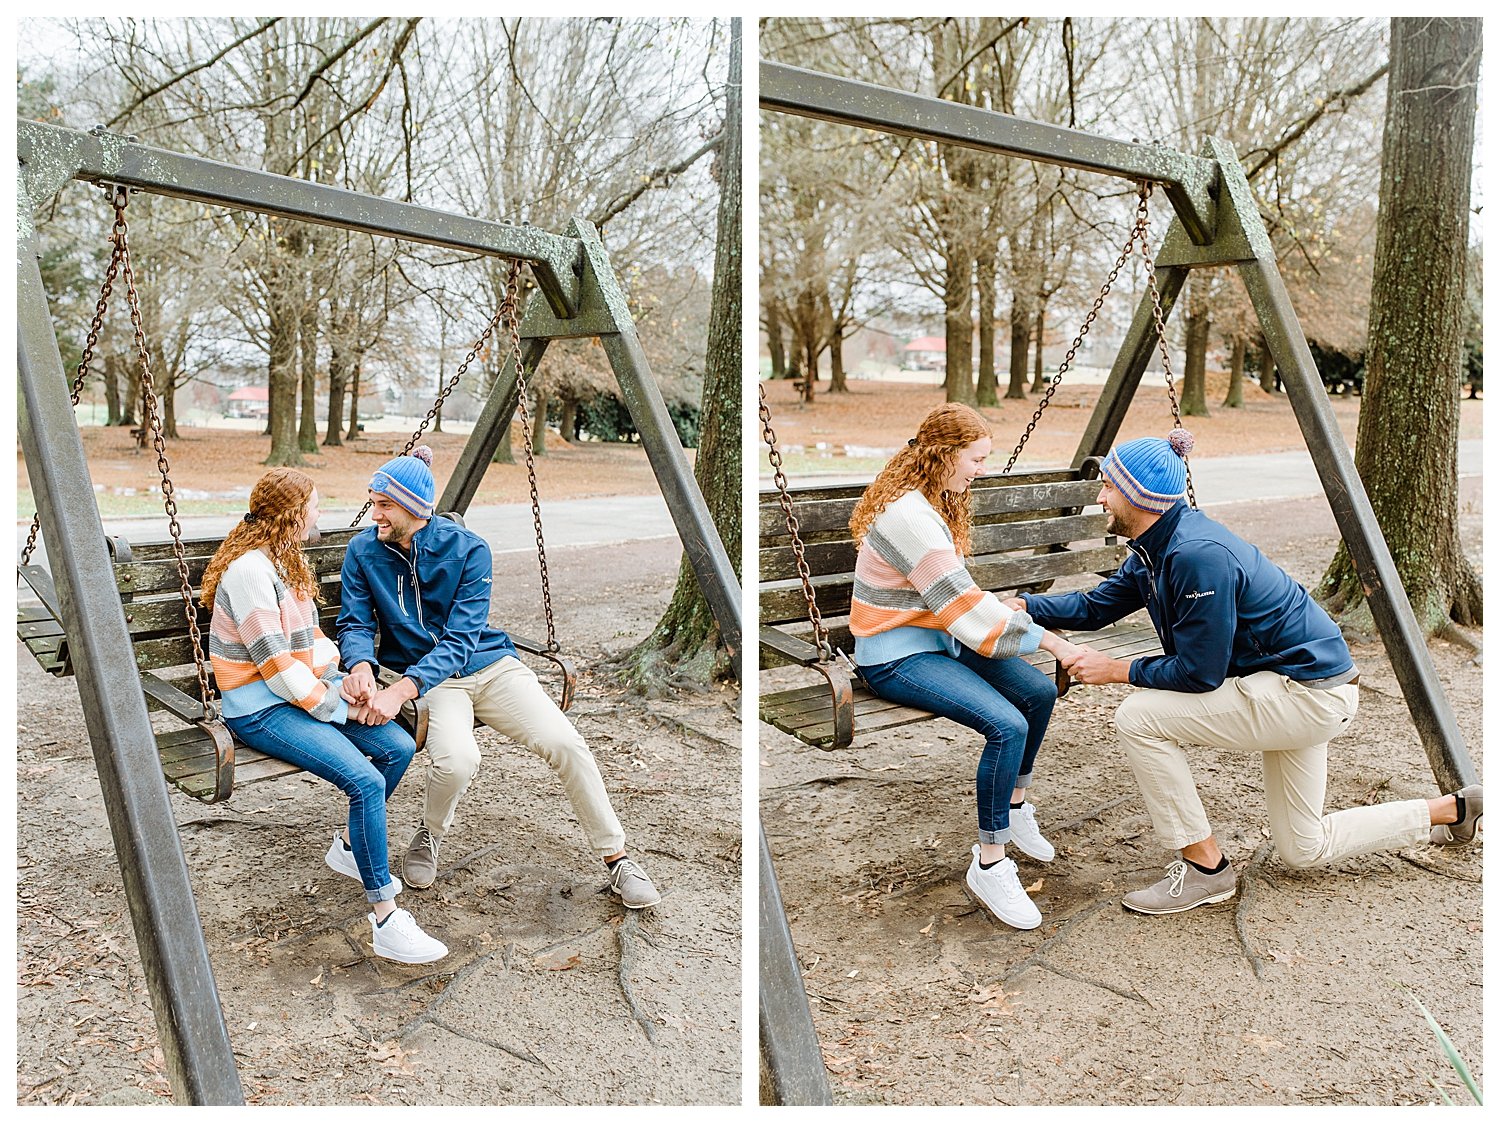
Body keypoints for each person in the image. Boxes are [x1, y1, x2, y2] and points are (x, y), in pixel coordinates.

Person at [1014, 430, 1483, 916]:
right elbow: (1093, 606)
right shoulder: (1157, 545)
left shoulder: (1197, 556)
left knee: (1139, 717)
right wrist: (1024, 605)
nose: (1099, 495)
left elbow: (1199, 674)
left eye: (1108, 485)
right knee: (1304, 847)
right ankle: (1453, 810)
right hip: (1303, 685)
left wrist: (1114, 670)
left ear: (1138, 495)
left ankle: (1205, 869)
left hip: (1307, 695)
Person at [336, 447, 661, 909]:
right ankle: (429, 834)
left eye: (384, 505)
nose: (375, 514)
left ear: (413, 507)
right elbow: (353, 622)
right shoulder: (364, 550)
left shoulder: (469, 550)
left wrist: (400, 691)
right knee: (458, 760)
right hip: (437, 684)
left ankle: (618, 859)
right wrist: (362, 666)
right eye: (373, 502)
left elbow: (461, 639)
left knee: (566, 743)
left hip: (491, 667)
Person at [848, 403, 1088, 931]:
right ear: (943, 455)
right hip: (895, 653)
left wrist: (1015, 621)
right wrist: (1052, 641)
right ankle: (990, 862)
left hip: (945, 639)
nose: (981, 469)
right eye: (975, 459)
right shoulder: (910, 517)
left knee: (1037, 695)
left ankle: (1015, 807)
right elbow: (963, 606)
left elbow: (961, 602)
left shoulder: (935, 501)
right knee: (1007, 726)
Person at [201, 468, 447, 964]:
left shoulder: (285, 562)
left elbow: (311, 642)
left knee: (397, 747)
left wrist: (347, 681)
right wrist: (335, 706)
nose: (320, 513)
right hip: (260, 708)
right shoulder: (250, 571)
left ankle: (351, 852)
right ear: (294, 514)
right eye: (314, 505)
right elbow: (274, 666)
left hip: (300, 697)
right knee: (365, 781)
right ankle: (386, 917)